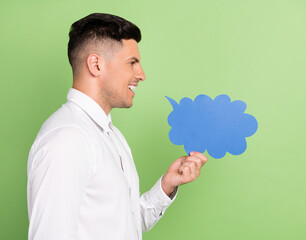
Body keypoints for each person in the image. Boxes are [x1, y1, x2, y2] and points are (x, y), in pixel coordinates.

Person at [27, 13, 207, 240]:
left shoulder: (111, 135)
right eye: (132, 63)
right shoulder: (68, 138)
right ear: (96, 65)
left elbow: (124, 226)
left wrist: (166, 186)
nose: (141, 75)